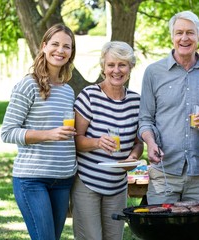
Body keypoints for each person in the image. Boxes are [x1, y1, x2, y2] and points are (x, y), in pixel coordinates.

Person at [1, 24, 77, 240]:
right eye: (55, 44)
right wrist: (48, 134)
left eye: (66, 46)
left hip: (63, 179)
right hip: (32, 180)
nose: (60, 50)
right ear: (44, 46)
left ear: (71, 53)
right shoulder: (28, 84)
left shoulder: (68, 90)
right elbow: (7, 132)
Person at [138, 10, 199, 204]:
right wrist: (150, 143)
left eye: (190, 33)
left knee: (198, 230)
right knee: (162, 231)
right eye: (179, 33)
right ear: (172, 37)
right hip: (164, 171)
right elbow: (145, 119)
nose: (184, 38)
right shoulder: (153, 73)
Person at [71, 41, 143, 240]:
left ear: (130, 67)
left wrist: (133, 156)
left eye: (122, 65)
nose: (116, 70)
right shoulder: (89, 96)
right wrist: (97, 142)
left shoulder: (136, 101)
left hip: (118, 186)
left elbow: (138, 142)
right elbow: (75, 140)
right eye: (111, 65)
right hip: (88, 183)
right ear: (103, 67)